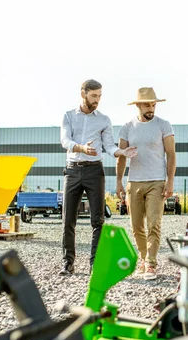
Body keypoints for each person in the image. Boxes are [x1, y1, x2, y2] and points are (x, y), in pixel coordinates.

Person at [59, 79, 138, 275]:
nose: (97, 100)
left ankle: (95, 264)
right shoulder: (68, 116)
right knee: (68, 219)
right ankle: (68, 263)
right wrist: (80, 147)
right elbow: (64, 140)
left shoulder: (104, 120)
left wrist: (122, 152)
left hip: (95, 171)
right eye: (94, 96)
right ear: (83, 94)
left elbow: (109, 146)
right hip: (72, 170)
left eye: (100, 96)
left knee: (98, 220)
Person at [116, 87, 176, 280]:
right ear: (138, 105)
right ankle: (143, 258)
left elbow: (171, 154)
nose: (151, 108)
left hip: (157, 182)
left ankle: (151, 264)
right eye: (147, 105)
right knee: (136, 226)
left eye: (153, 104)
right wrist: (119, 181)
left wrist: (170, 181)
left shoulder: (163, 125)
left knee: (154, 224)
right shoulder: (127, 127)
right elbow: (121, 157)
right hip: (134, 182)